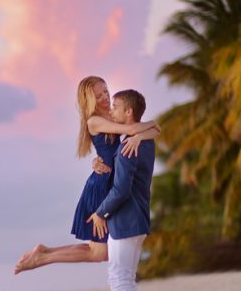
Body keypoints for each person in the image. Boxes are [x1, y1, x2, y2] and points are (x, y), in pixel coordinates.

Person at [14, 76, 159, 274]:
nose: (105, 97)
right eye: (98, 96)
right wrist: (143, 130)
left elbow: (151, 130)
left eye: (106, 91)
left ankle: (45, 252)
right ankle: (43, 257)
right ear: (89, 100)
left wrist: (141, 136)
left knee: (99, 251)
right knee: (99, 253)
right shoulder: (95, 120)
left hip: (111, 183)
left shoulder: (113, 113)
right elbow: (137, 128)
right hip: (101, 186)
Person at [86, 90, 156, 291]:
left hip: (125, 219)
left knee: (119, 279)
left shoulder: (129, 144)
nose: (112, 111)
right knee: (127, 277)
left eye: (115, 106)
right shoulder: (143, 141)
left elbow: (121, 189)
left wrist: (100, 212)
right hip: (137, 218)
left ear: (129, 112)